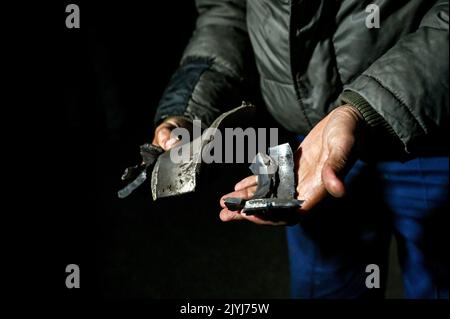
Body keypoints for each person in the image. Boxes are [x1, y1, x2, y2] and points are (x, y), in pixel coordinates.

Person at [151, 0, 448, 298]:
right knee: (327, 286)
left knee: (438, 282)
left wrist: (363, 110)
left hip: (429, 133)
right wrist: (190, 108)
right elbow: (226, 12)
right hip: (309, 151)